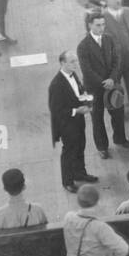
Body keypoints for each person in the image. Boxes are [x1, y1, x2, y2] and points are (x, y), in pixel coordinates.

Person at [77, 11, 129, 157]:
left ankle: (120, 138)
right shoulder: (83, 46)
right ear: (89, 25)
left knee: (118, 113)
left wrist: (112, 79)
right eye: (98, 25)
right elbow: (87, 70)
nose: (101, 28)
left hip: (111, 84)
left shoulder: (109, 39)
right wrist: (103, 82)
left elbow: (116, 61)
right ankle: (102, 148)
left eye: (103, 25)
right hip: (93, 88)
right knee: (97, 118)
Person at [48, 50, 98, 191]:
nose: (76, 64)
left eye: (76, 61)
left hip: (78, 121)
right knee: (69, 151)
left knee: (80, 146)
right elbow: (56, 111)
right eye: (72, 62)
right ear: (62, 63)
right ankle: (67, 181)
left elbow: (78, 93)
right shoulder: (56, 84)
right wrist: (77, 111)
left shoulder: (73, 75)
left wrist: (85, 97)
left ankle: (79, 173)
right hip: (67, 124)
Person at [63, 184, 129, 256]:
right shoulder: (100, 227)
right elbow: (123, 249)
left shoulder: (68, 217)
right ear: (97, 201)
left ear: (78, 201)